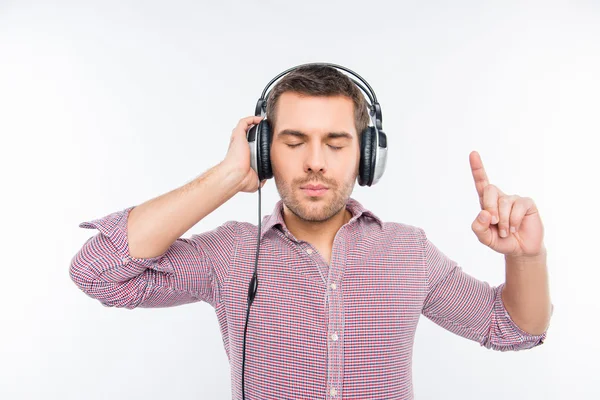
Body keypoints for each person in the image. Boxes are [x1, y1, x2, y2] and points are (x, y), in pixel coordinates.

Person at [70, 65, 553, 400]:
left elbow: (511, 329)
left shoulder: (409, 252)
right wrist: (227, 176)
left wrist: (526, 258)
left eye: (336, 144)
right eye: (294, 142)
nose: (315, 161)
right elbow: (100, 273)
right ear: (264, 153)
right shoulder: (232, 253)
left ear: (366, 157)